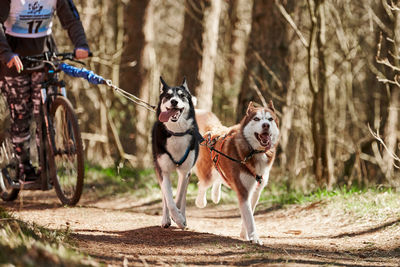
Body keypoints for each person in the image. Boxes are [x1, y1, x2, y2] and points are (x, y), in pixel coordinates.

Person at [0, 0, 90, 182]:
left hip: (45, 55)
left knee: (45, 109)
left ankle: (47, 163)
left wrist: (81, 44)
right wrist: (6, 53)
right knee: (21, 114)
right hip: (15, 58)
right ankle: (23, 166)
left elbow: (72, 20)